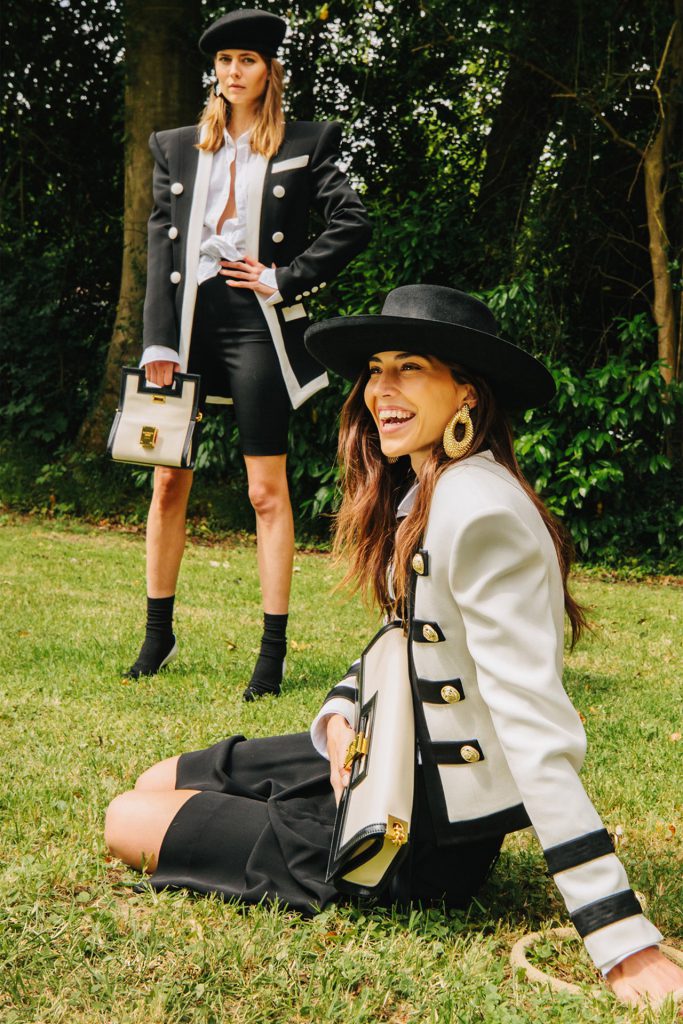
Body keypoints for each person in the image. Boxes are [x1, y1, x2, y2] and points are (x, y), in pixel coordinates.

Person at [105, 285, 683, 1007]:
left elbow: (535, 729)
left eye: (410, 367)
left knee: (127, 818)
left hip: (417, 834)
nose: (381, 390)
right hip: (380, 747)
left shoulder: (480, 511)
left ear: (466, 391)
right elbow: (402, 638)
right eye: (376, 369)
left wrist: (618, 934)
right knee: (157, 779)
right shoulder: (428, 486)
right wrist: (340, 715)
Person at [129, 8, 371, 700]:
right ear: (214, 71)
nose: (234, 72)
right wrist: (157, 340)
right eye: (224, 61)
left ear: (270, 72)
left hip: (255, 324)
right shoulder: (175, 146)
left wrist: (285, 277)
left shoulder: (306, 142)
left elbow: (353, 221)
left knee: (265, 491)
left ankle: (271, 653)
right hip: (184, 328)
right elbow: (159, 249)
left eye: (248, 61)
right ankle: (157, 634)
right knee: (167, 481)